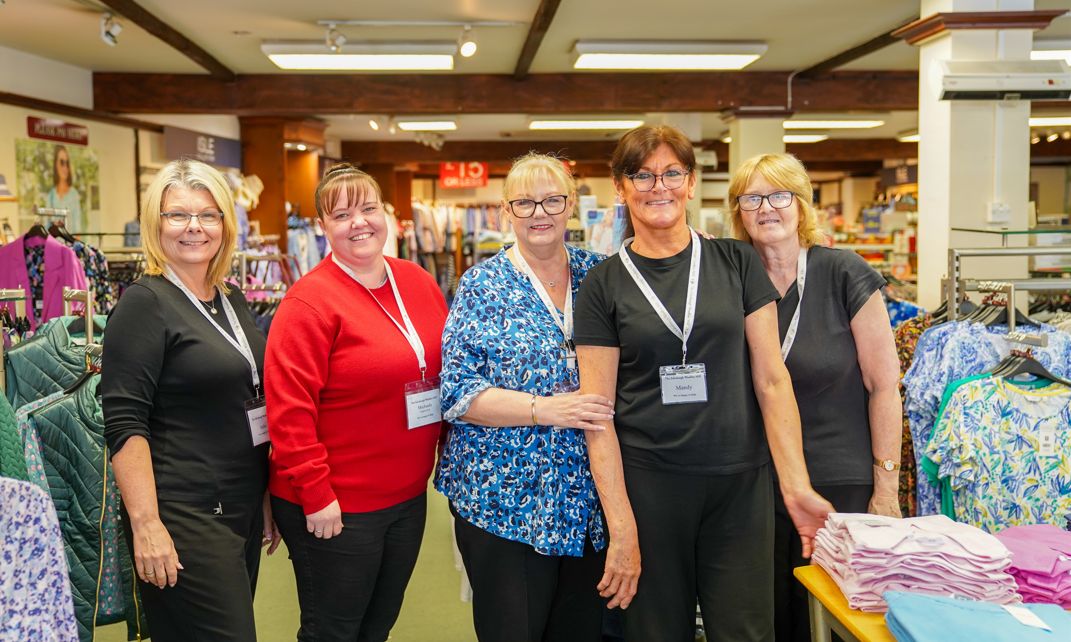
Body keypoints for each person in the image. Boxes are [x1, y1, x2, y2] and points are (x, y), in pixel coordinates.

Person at [573, 125, 835, 642]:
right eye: (641, 175)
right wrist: (621, 525)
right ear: (620, 188)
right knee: (655, 631)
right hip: (651, 486)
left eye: (672, 173)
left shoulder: (735, 262)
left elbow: (772, 379)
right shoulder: (603, 283)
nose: (658, 187)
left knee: (746, 631)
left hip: (740, 483)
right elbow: (596, 412)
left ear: (691, 184)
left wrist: (796, 484)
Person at [436, 152, 615, 642]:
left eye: (552, 200)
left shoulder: (599, 275)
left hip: (585, 500)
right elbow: (457, 391)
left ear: (571, 206)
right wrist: (544, 409)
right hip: (504, 501)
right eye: (526, 203)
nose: (540, 213)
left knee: (579, 631)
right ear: (505, 212)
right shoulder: (481, 284)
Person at [266, 163, 448, 641]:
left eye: (368, 208)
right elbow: (289, 411)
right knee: (333, 631)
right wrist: (316, 493)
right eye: (342, 214)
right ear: (323, 227)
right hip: (337, 502)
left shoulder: (418, 282)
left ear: (385, 213)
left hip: (407, 495)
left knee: (377, 626)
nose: (359, 222)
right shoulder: (308, 303)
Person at [101, 158, 278, 642]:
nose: (194, 227)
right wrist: (147, 525)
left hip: (236, 507)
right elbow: (123, 424)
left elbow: (245, 399)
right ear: (155, 224)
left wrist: (261, 493)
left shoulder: (231, 298)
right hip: (184, 515)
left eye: (208, 214)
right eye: (177, 214)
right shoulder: (144, 304)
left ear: (226, 222)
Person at [729, 153, 902, 642]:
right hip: (758, 484)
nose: (767, 208)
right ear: (738, 211)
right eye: (752, 198)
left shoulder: (844, 272)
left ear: (801, 205)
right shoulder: (732, 279)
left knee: (839, 622)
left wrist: (885, 489)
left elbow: (884, 385)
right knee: (771, 619)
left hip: (839, 485)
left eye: (779, 195)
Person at [44, 144, 84, 234]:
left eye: (67, 163)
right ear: (56, 165)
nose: (65, 167)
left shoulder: (74, 195)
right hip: (54, 246)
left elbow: (78, 229)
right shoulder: (50, 196)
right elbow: (46, 226)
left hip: (69, 246)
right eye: (62, 162)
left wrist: (75, 247)